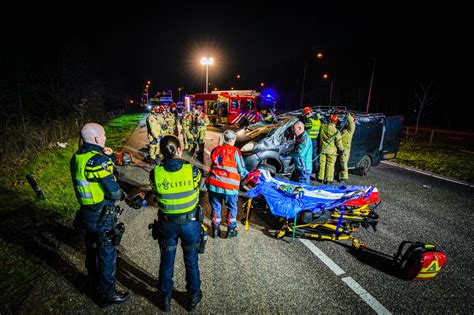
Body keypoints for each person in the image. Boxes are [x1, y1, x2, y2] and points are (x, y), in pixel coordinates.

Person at [70, 123, 131, 307]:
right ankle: (107, 294)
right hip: (102, 214)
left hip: (86, 212)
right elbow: (113, 192)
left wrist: (109, 156)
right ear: (97, 139)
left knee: (91, 249)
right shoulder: (99, 161)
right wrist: (124, 195)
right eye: (103, 135)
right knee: (107, 253)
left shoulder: (78, 157)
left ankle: (92, 282)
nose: (104, 138)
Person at [149, 135, 202, 312]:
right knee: (191, 262)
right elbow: (196, 189)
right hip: (189, 224)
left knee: (166, 262)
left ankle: (165, 300)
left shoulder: (155, 173)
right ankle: (193, 298)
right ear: (179, 150)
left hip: (167, 225)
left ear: (162, 152)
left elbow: (155, 191)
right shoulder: (193, 171)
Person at [206, 130, 249, 238]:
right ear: (232, 140)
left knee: (216, 207)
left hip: (214, 184)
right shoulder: (235, 151)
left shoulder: (216, 150)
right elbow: (242, 169)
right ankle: (231, 230)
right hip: (229, 187)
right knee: (231, 207)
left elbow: (213, 164)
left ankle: (215, 229)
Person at [318, 114, 343, 184]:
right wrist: (342, 149)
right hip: (331, 151)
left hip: (323, 149)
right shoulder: (336, 131)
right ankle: (328, 179)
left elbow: (321, 120)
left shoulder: (323, 126)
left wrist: (319, 116)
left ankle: (321, 178)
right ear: (335, 122)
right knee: (330, 165)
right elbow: (339, 142)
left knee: (322, 164)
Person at [300, 106, 321, 176]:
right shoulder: (318, 120)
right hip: (315, 139)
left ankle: (309, 171)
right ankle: (316, 172)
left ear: (307, 113)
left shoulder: (309, 121)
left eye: (305, 114)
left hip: (309, 140)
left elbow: (303, 127)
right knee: (314, 156)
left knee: (307, 155)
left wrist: (302, 119)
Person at [338, 113, 356, 182]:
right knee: (338, 163)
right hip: (340, 148)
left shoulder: (351, 129)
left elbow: (351, 122)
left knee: (343, 163)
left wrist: (348, 115)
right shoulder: (345, 128)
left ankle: (344, 177)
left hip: (345, 149)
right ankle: (338, 175)